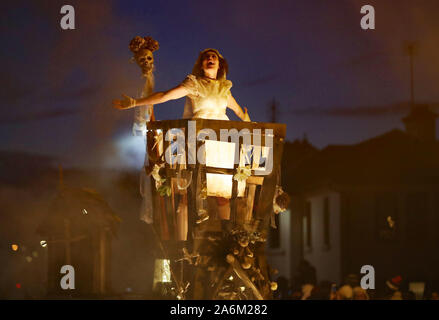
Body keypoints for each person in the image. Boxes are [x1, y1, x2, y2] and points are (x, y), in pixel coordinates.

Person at [113, 48, 250, 122]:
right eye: (206, 57)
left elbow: (239, 112)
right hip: (201, 134)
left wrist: (252, 126)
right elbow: (165, 96)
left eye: (214, 57)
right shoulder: (194, 84)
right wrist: (135, 103)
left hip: (222, 137)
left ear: (220, 65)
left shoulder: (224, 89)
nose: (210, 58)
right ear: (201, 65)